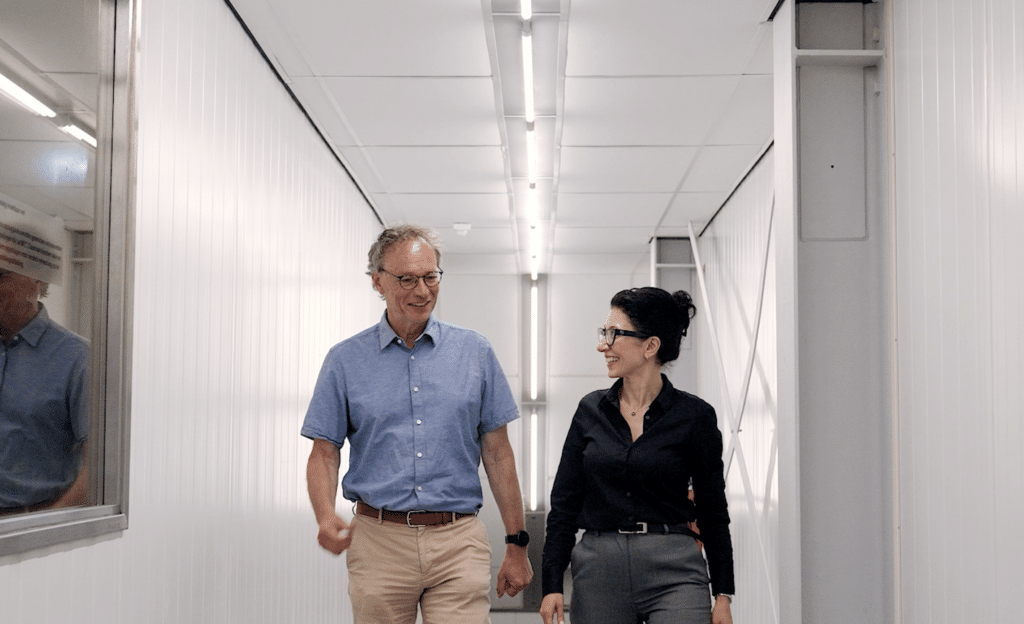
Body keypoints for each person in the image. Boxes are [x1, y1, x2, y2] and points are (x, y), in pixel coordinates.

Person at [302, 224, 533, 624]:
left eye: (430, 277)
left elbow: (498, 455)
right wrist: (324, 515)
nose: (422, 291)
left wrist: (517, 544)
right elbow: (324, 453)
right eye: (407, 279)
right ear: (377, 281)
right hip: (378, 540)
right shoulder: (344, 361)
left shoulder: (474, 352)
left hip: (458, 539)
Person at [539, 287, 735, 624]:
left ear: (650, 346)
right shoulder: (590, 411)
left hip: (675, 570)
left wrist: (723, 595)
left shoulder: (695, 416)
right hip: (599, 569)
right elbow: (564, 504)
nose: (604, 345)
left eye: (614, 334)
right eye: (604, 333)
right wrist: (552, 582)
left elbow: (713, 509)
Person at [0, 268, 89, 515]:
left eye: (0, 275)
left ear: (37, 277)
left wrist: (47, 527)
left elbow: (100, 466)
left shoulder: (78, 358)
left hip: (35, 527)